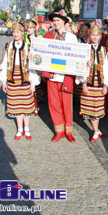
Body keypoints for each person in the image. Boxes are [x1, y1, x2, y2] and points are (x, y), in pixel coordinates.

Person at [0, 22, 40, 140]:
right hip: (13, 78)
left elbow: (32, 66)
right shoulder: (9, 46)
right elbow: (4, 63)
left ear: (23, 33)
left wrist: (33, 83)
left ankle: (26, 128)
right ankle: (19, 129)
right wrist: (3, 81)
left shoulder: (28, 47)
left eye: (18, 32)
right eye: (14, 32)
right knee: (16, 105)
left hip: (25, 78)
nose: (15, 34)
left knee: (26, 105)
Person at [43, 8, 79, 142]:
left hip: (65, 76)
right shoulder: (48, 35)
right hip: (52, 75)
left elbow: (76, 55)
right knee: (54, 104)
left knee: (66, 104)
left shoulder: (71, 37)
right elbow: (43, 52)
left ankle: (68, 130)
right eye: (53, 20)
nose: (55, 23)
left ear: (64, 21)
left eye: (58, 20)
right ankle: (59, 131)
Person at [76, 22, 108, 142]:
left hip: (99, 82)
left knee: (97, 108)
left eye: (97, 35)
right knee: (89, 108)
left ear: (100, 36)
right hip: (89, 82)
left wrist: (105, 85)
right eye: (92, 35)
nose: (95, 37)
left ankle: (96, 130)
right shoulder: (85, 49)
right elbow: (80, 67)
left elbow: (106, 68)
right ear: (89, 35)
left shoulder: (103, 50)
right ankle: (96, 131)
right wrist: (83, 83)